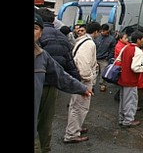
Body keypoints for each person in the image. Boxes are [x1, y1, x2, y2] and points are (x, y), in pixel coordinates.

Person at [34, 13, 93, 148]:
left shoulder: (42, 56)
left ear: (40, 33)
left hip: (47, 86)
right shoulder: (61, 37)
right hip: (49, 87)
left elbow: (60, 74)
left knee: (45, 126)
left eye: (35, 28)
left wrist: (81, 88)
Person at [63, 21, 101, 143]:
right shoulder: (89, 43)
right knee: (80, 107)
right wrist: (88, 77)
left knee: (76, 105)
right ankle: (72, 134)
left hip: (78, 78)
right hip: (83, 79)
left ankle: (75, 128)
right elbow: (84, 63)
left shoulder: (81, 40)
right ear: (96, 32)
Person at [117, 31, 143, 128]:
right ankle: (128, 120)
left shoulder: (125, 47)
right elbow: (135, 68)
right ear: (138, 40)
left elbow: (118, 60)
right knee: (131, 100)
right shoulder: (138, 51)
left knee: (123, 100)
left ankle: (121, 118)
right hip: (131, 79)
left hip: (122, 78)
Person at [95, 23, 117, 92]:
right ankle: (91, 85)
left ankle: (102, 85)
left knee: (103, 73)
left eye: (104, 31)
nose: (103, 32)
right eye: (102, 31)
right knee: (93, 73)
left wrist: (109, 56)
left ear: (107, 30)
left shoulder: (111, 39)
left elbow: (113, 49)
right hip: (95, 58)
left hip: (104, 59)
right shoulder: (97, 37)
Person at [113, 32, 129, 101]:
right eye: (125, 38)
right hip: (120, 66)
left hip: (123, 65)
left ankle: (120, 95)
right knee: (123, 82)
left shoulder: (125, 44)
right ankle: (119, 96)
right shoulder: (119, 46)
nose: (127, 40)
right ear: (120, 39)